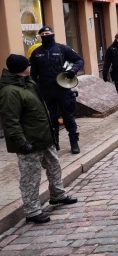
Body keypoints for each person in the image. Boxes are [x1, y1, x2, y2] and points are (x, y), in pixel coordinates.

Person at [0, 55, 77, 224]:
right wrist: (22, 143)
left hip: (44, 138)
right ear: (22, 68)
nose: (30, 66)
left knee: (54, 166)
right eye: (28, 64)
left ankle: (57, 195)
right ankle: (32, 210)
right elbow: (10, 121)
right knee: (30, 177)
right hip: (29, 143)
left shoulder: (29, 83)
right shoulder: (9, 91)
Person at [30, 26, 84, 154]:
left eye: (47, 33)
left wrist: (72, 71)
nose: (45, 35)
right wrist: (33, 88)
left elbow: (79, 60)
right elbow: (32, 74)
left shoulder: (62, 48)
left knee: (68, 117)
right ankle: (55, 144)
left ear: (53, 34)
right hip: (45, 91)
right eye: (42, 33)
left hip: (63, 89)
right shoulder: (36, 52)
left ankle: (74, 142)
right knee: (51, 119)